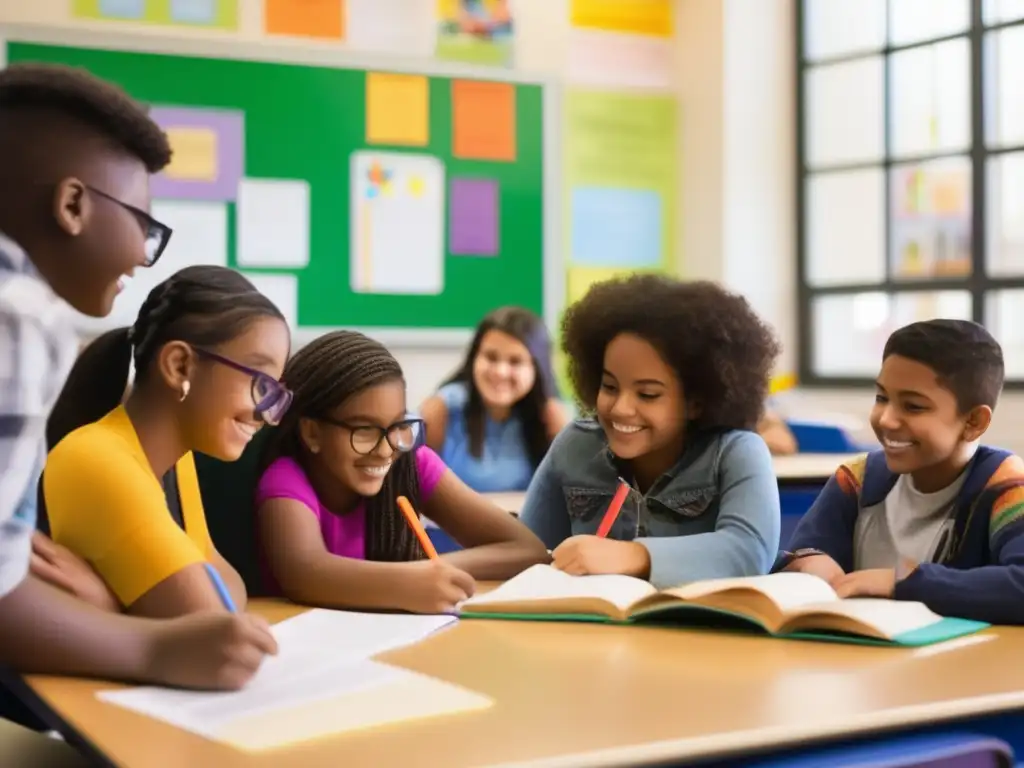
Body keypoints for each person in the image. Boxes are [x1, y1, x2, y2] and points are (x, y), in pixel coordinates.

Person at [0, 62, 276, 694]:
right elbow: (208, 612)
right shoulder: (18, 315)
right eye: (144, 227)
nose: (140, 254)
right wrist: (153, 646)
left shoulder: (173, 457)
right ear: (72, 205)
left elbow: (219, 584)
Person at [40, 266, 293, 620]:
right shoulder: (95, 458)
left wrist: (107, 601)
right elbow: (209, 621)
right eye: (260, 383)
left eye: (275, 392)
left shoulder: (177, 461)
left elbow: (226, 586)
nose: (266, 414)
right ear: (179, 366)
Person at [257, 331, 549, 614]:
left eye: (398, 425)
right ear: (312, 433)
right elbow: (306, 574)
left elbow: (527, 549)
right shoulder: (286, 478)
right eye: (365, 431)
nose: (385, 450)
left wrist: (431, 571)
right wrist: (408, 581)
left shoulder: (410, 462)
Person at [518, 275, 781, 589]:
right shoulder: (576, 445)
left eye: (648, 395)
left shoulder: (736, 451)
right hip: (592, 631)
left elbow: (750, 551)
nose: (621, 408)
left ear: (696, 401)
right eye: (610, 386)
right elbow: (529, 551)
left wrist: (631, 556)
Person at [778, 319, 1024, 625]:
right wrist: (808, 563)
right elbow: (798, 551)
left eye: (913, 406)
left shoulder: (1008, 488)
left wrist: (901, 582)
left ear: (973, 422)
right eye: (882, 398)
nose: (887, 419)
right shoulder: (857, 479)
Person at [420, 306, 566, 493]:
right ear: (474, 358)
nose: (500, 372)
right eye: (490, 357)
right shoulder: (441, 409)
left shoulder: (550, 417)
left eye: (515, 361)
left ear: (537, 369)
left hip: (520, 522)